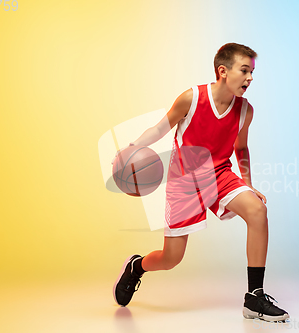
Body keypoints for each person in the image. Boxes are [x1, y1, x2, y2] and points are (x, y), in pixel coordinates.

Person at [112, 43, 289, 322]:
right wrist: (131, 149)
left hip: (219, 175)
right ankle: (137, 266)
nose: (250, 78)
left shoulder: (245, 111)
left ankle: (254, 296)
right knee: (171, 259)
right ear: (223, 71)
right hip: (185, 181)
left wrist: (248, 184)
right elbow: (160, 128)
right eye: (245, 70)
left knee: (257, 210)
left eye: (252, 72)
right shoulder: (191, 98)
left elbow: (241, 149)